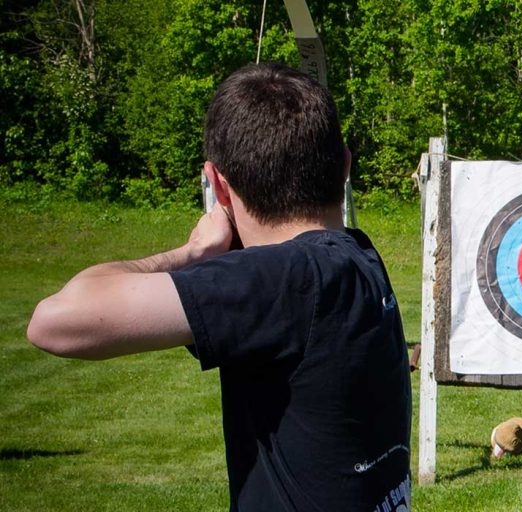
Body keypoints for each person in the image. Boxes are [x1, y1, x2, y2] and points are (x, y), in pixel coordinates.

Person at [27, 63, 412, 511]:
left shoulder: (286, 280)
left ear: (217, 188)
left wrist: (194, 251)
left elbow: (53, 321)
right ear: (344, 165)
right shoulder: (358, 257)